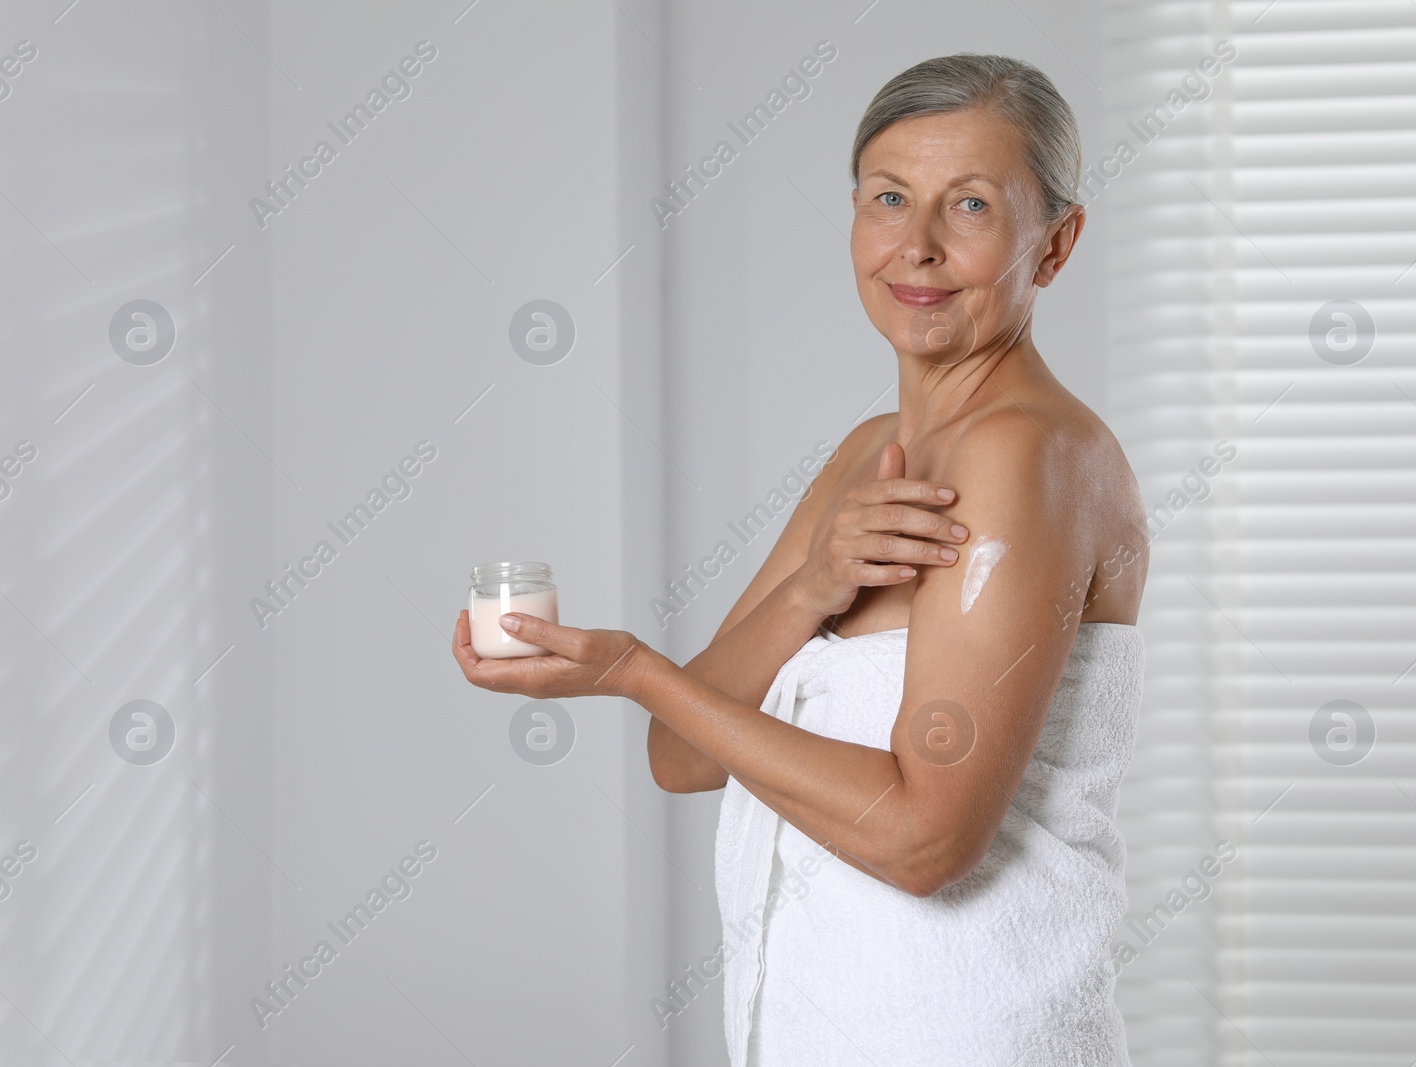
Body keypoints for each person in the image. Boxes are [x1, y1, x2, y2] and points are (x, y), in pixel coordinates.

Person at [454, 52, 1149, 1066]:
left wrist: (631, 668)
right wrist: (812, 589)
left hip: (967, 1034)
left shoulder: (1027, 453)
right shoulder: (868, 456)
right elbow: (686, 755)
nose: (914, 246)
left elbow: (926, 840)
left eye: (967, 206)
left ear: (1054, 243)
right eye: (887, 198)